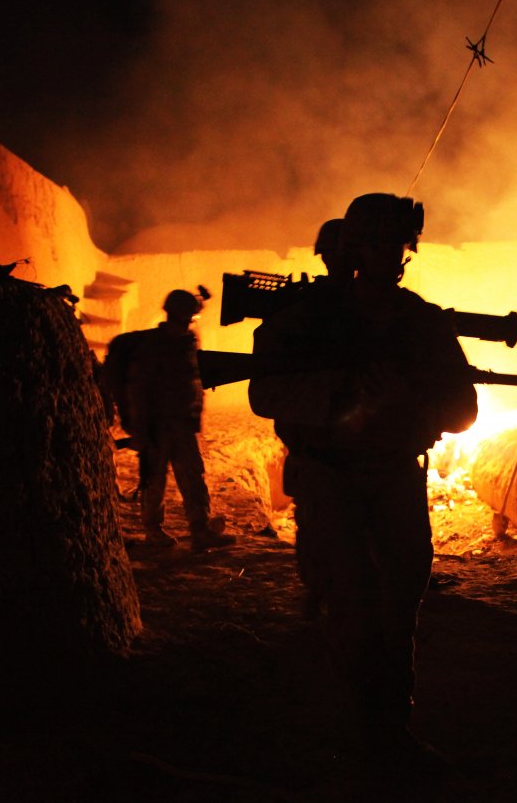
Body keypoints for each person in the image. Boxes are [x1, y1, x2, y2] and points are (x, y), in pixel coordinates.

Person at [248, 193, 479, 771]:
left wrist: (412, 404)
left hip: (396, 476)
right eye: (374, 244)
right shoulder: (307, 319)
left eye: (395, 245)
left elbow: (462, 409)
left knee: (400, 602)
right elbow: (265, 392)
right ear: (352, 248)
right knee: (351, 601)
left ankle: (389, 727)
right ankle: (356, 729)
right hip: (331, 477)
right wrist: (343, 395)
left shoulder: (421, 322)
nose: (386, 256)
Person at [102, 288, 233, 552]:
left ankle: (200, 529)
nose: (188, 323)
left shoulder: (186, 343)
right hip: (156, 427)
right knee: (154, 480)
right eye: (187, 317)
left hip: (182, 424)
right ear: (177, 316)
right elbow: (138, 389)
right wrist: (139, 428)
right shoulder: (154, 347)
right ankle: (154, 532)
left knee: (193, 478)